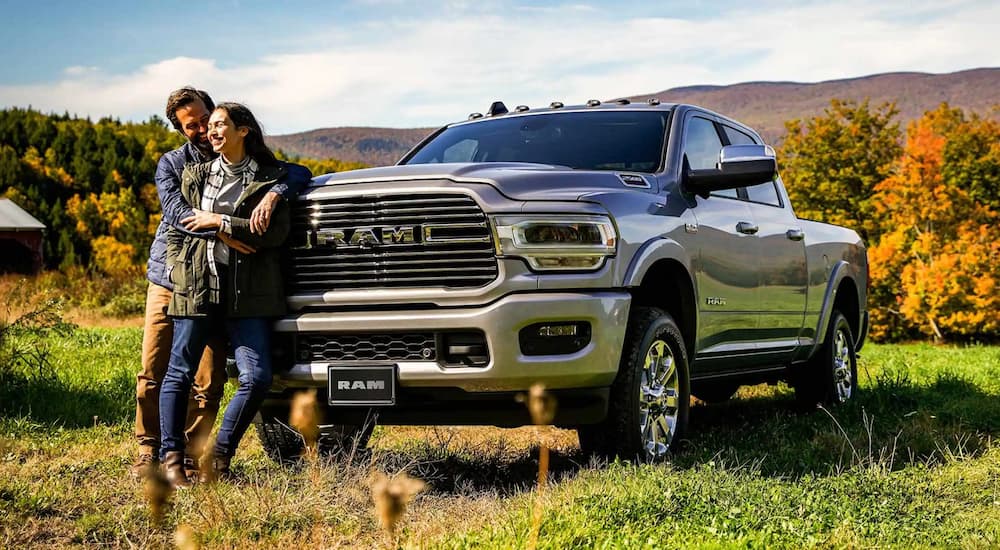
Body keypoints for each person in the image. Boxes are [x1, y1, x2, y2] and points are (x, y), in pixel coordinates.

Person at [132, 87, 309, 479]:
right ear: (181, 130)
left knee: (209, 380)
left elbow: (295, 172)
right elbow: (178, 214)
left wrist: (275, 194)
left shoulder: (241, 155)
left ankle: (196, 455)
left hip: (232, 284)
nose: (200, 129)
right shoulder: (178, 166)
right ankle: (151, 451)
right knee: (154, 371)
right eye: (190, 125)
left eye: (205, 119)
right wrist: (223, 230)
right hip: (172, 275)